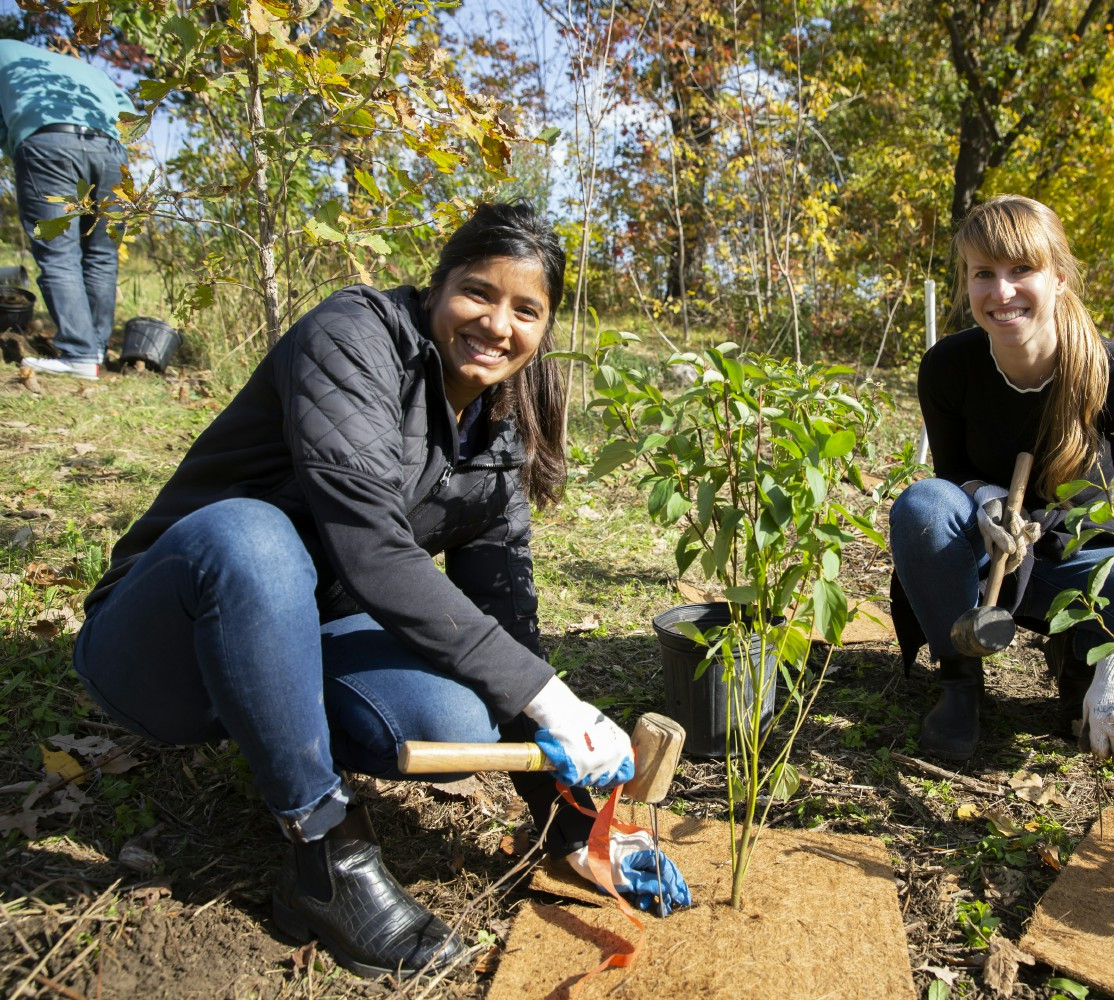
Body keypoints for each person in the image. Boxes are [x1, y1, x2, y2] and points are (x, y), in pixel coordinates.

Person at [73, 201, 690, 979]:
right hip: (160, 652)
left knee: (454, 713)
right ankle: (323, 856)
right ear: (436, 288)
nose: (498, 323)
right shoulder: (353, 339)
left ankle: (274, 730)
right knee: (252, 539)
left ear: (545, 330)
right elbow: (371, 550)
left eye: (525, 310)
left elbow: (503, 613)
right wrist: (555, 703)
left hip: (296, 638)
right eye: (478, 292)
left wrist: (567, 819)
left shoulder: (496, 431)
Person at [888, 195, 1114, 776]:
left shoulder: (1112, 373)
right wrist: (983, 498)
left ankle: (1086, 658)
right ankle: (960, 681)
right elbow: (949, 478)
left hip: (1085, 569)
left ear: (1059, 277)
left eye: (1022, 270)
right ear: (965, 282)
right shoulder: (948, 367)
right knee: (922, 503)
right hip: (995, 561)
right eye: (983, 274)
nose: (1002, 291)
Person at [0, 39, 134, 380]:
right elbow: (127, 110)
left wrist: (17, 145)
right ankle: (96, 350)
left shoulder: (4, 51)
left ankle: (78, 352)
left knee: (58, 252)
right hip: (110, 149)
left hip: (48, 142)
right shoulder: (87, 70)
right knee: (102, 254)